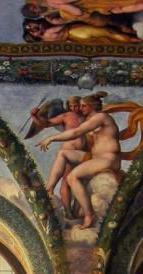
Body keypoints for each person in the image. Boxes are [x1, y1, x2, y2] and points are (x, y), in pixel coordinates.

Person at [37, 92, 121, 229]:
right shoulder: (90, 119)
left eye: (83, 106)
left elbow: (76, 132)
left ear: (92, 106)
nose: (80, 109)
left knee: (72, 177)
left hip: (108, 159)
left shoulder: (101, 117)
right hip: (96, 158)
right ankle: (49, 189)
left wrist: (52, 138)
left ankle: (88, 215)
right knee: (63, 153)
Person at [29, 97, 86, 218]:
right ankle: (67, 212)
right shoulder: (66, 116)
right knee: (66, 181)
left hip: (83, 152)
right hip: (69, 150)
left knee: (79, 181)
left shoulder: (87, 117)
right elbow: (46, 123)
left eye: (75, 105)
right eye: (70, 106)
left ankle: (77, 212)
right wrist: (35, 116)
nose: (73, 108)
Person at [23, 17, 140, 43]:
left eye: (31, 25)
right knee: (110, 33)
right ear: (35, 36)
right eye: (32, 30)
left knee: (108, 36)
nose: (33, 27)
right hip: (77, 31)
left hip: (75, 37)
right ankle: (136, 38)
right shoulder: (48, 33)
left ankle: (134, 38)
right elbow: (65, 23)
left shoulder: (45, 37)